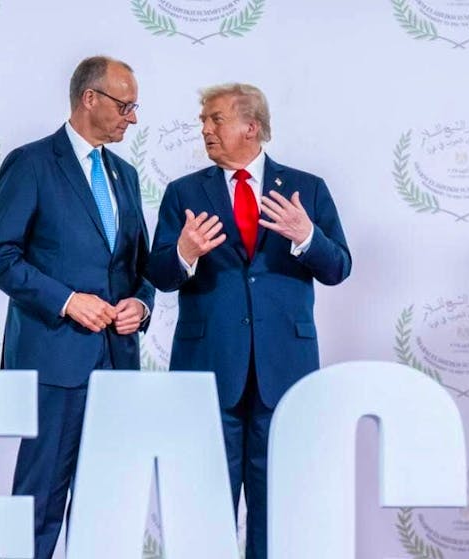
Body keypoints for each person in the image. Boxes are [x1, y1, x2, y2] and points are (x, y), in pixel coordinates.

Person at [147, 83, 351, 559]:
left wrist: (307, 237)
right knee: (204, 503)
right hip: (209, 368)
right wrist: (184, 252)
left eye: (215, 119)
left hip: (284, 371)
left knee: (276, 507)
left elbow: (339, 268)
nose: (205, 130)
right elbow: (158, 273)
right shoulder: (184, 193)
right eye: (203, 121)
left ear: (251, 126)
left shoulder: (308, 189)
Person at [0, 55, 154, 559]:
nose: (133, 117)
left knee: (107, 505)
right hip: (56, 362)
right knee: (39, 506)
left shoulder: (125, 174)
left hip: (117, 362)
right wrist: (67, 301)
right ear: (90, 99)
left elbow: (138, 267)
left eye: (135, 106)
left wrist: (140, 307)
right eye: (125, 105)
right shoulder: (31, 163)